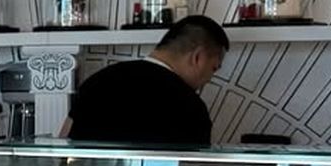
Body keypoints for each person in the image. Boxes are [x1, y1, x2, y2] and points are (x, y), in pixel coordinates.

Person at [66, 15, 230, 146]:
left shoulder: (97, 81)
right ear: (198, 57)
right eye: (213, 68)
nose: (209, 79)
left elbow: (64, 143)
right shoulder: (191, 108)